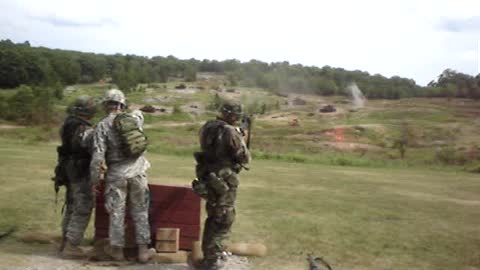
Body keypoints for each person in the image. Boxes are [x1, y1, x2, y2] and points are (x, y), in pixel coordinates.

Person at [89, 89, 151, 263]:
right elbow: (139, 114)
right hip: (138, 172)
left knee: (117, 213)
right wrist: (138, 109)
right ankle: (143, 251)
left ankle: (117, 252)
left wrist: (94, 180)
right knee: (140, 212)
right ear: (122, 105)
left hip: (117, 174)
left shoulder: (102, 126)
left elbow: (97, 157)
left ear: (105, 105)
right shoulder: (134, 119)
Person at [193, 101, 251, 270]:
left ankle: (209, 256)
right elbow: (244, 158)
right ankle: (213, 261)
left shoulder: (208, 126)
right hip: (224, 180)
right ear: (233, 116)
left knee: (213, 217)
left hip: (208, 177)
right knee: (224, 219)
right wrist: (242, 137)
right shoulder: (229, 131)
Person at [57, 95, 97, 258]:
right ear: (89, 111)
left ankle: (65, 240)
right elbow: (93, 149)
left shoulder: (66, 124)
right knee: (83, 205)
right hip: (80, 170)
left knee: (72, 204)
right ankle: (71, 245)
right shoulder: (85, 130)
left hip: (66, 168)